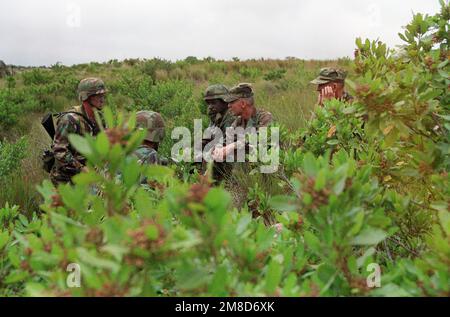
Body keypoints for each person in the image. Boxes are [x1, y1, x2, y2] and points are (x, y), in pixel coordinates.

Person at [50, 78, 106, 185]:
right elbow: (59, 150)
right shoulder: (70, 119)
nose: (102, 99)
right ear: (86, 97)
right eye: (98, 96)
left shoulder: (100, 119)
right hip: (66, 179)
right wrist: (81, 168)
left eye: (103, 96)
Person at [211, 83, 273, 161]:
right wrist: (219, 149)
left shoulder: (264, 117)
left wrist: (233, 146)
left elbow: (260, 140)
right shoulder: (238, 121)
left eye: (232, 102)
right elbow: (227, 139)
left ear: (243, 104)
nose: (228, 106)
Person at [202, 84, 235, 182]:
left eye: (213, 103)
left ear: (225, 101)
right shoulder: (217, 116)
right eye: (208, 103)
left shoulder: (231, 117)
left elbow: (226, 145)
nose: (210, 107)